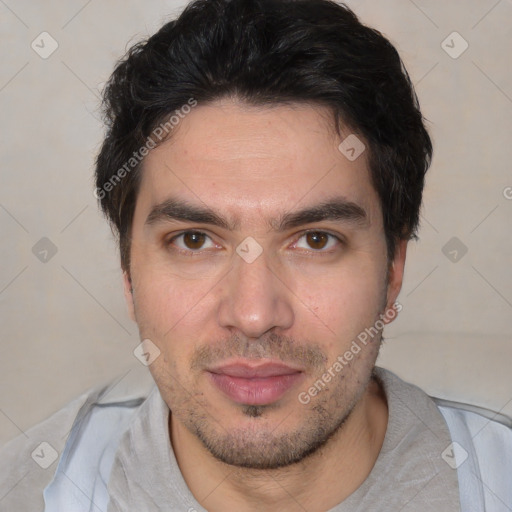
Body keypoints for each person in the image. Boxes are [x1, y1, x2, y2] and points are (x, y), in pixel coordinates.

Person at [1, 0, 511, 510]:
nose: (253, 315)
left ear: (393, 269)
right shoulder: (27, 489)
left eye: (315, 240)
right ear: (128, 272)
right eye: (194, 240)